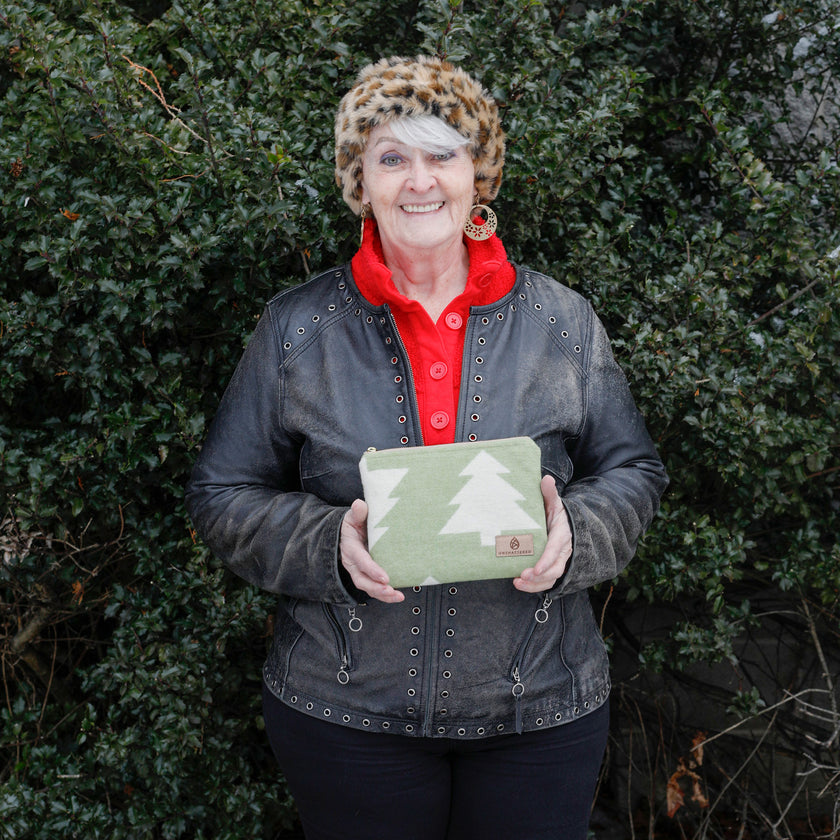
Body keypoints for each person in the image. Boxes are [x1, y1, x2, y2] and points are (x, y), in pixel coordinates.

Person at [185, 55, 668, 840]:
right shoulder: (297, 330)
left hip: (538, 708)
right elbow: (222, 493)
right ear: (361, 184)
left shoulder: (562, 321)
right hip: (346, 713)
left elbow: (633, 469)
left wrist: (580, 531)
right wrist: (323, 540)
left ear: (478, 174)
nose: (419, 180)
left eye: (442, 154)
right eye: (391, 157)